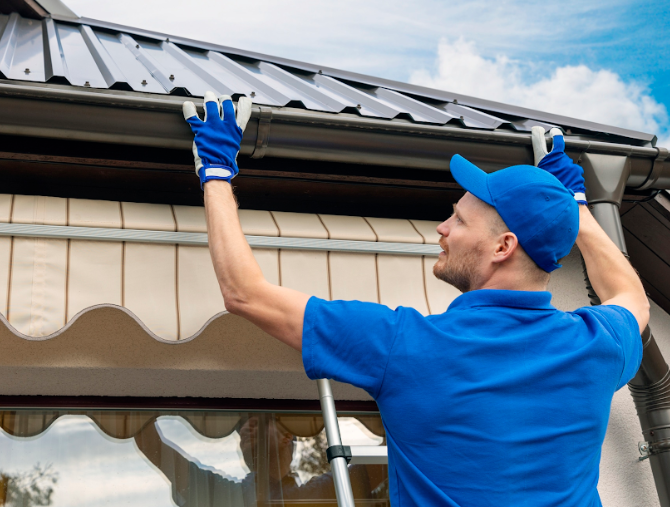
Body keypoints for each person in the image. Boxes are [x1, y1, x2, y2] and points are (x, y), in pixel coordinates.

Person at [181, 92, 648, 506]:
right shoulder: (597, 345)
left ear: (503, 247)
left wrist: (216, 171)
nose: (442, 229)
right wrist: (577, 209)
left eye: (459, 220)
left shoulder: (406, 346)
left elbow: (245, 294)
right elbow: (632, 298)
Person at [133, 414, 377, 507]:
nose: (245, 428)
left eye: (258, 420)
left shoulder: (317, 496)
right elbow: (150, 444)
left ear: (287, 435)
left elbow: (386, 463)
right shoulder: (224, 497)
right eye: (240, 427)